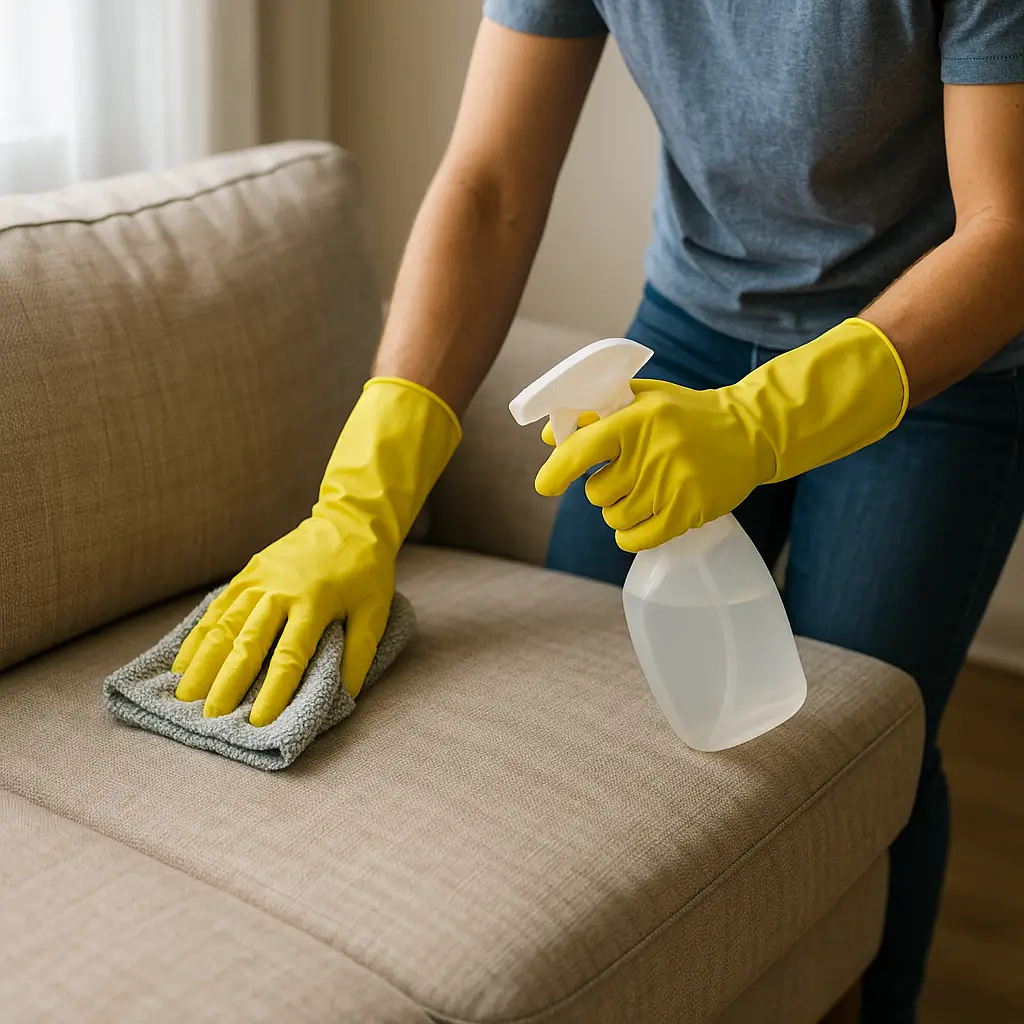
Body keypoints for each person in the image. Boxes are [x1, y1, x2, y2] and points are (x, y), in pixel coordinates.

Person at [171, 3, 1024, 1020]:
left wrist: (757, 424)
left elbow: (1006, 236)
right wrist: (359, 501)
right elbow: (489, 189)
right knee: (591, 708)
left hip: (930, 365)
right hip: (695, 320)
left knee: (865, 742)